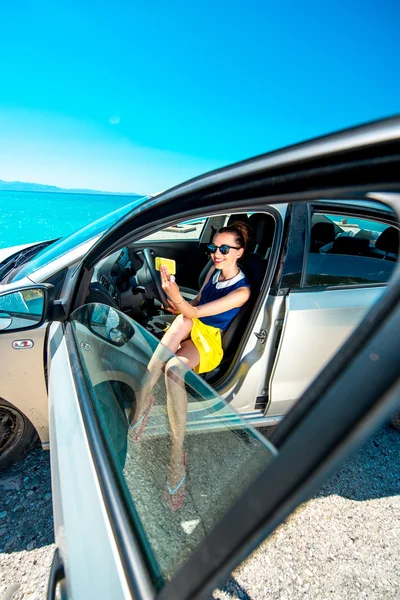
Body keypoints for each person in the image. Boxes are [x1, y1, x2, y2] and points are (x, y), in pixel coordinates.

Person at [128, 221, 251, 510]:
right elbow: (194, 302)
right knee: (178, 335)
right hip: (190, 324)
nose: (216, 254)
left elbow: (194, 310)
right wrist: (175, 303)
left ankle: (176, 457)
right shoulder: (214, 273)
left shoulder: (242, 291)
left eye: (224, 249)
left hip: (208, 342)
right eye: (213, 247)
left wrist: (174, 293)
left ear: (240, 252)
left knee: (177, 347)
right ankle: (144, 401)